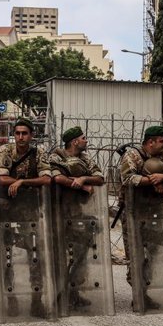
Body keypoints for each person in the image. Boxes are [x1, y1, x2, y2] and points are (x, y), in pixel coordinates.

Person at [119, 125, 163, 309]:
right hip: (133, 212)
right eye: (162, 141)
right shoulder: (132, 155)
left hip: (156, 212)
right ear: (150, 142)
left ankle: (146, 290)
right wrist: (152, 181)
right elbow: (128, 179)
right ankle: (139, 294)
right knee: (136, 254)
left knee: (154, 254)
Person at [0, 118, 52, 316]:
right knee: (7, 256)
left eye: (24, 133)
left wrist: (20, 182)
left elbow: (46, 179)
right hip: (7, 210)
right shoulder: (5, 151)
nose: (20, 137)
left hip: (31, 212)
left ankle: (37, 300)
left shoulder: (39, 153)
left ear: (31, 135)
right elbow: (1, 179)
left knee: (36, 256)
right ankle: (11, 299)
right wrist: (28, 183)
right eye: (17, 133)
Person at [49, 126, 104, 308]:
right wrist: (81, 185)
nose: (86, 140)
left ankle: (73, 292)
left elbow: (100, 177)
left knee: (80, 254)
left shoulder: (85, 158)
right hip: (59, 213)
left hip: (79, 212)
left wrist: (84, 179)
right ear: (74, 142)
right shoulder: (56, 156)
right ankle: (58, 295)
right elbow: (56, 178)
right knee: (60, 255)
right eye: (83, 138)